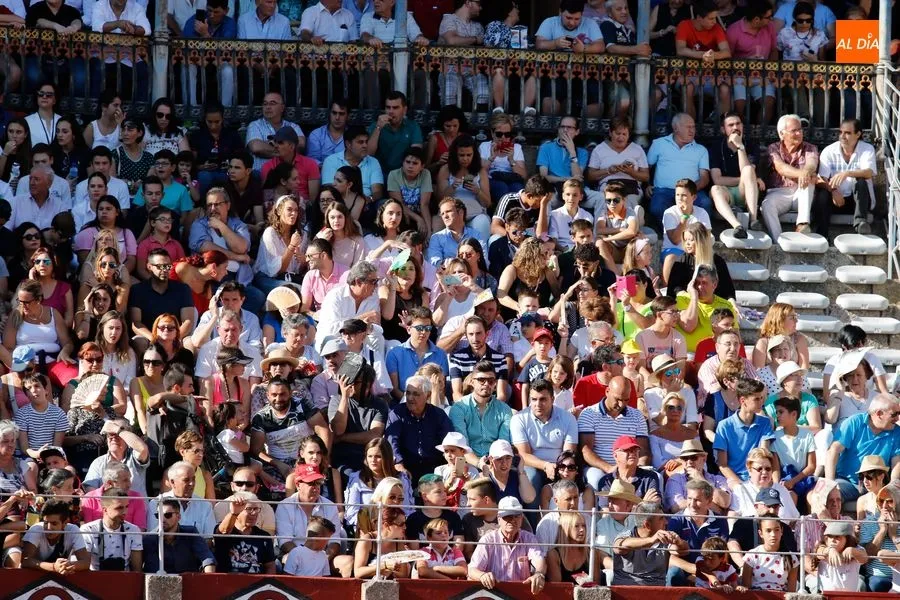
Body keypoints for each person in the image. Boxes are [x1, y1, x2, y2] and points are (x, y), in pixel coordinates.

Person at [511, 380, 578, 505]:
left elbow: (568, 453)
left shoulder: (568, 418)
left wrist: (559, 468)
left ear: (552, 399)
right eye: (534, 399)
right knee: (531, 477)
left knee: (569, 471)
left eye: (543, 399)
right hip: (533, 466)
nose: (538, 404)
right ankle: (533, 518)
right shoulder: (519, 419)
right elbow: (523, 455)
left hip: (561, 466)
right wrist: (546, 465)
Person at [534, 0, 605, 117]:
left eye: (577, 19)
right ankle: (550, 127)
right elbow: (539, 44)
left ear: (582, 15)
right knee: (550, 98)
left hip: (586, 72)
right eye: (568, 18)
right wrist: (555, 43)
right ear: (560, 12)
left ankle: (587, 128)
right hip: (556, 72)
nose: (572, 22)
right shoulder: (550, 22)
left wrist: (583, 49)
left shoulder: (590, 24)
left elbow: (601, 46)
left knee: (596, 100)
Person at [825, 394, 900, 502]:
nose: (897, 418)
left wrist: (892, 487)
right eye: (894, 414)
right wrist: (830, 485)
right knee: (825, 496)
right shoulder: (854, 422)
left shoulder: (897, 432)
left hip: (879, 485)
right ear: (879, 413)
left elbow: (897, 463)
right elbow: (833, 450)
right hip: (849, 483)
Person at [760, 113, 823, 238]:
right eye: (794, 131)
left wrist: (807, 173)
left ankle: (802, 224)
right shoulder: (773, 148)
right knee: (766, 205)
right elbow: (781, 168)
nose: (799, 133)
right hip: (779, 193)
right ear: (782, 134)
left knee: (808, 182)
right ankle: (778, 240)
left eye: (800, 130)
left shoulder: (810, 148)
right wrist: (804, 173)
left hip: (801, 194)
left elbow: (812, 164)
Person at [578, 377, 648, 488]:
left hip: (630, 468)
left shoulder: (637, 416)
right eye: (618, 399)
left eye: (626, 400)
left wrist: (638, 467)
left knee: (655, 477)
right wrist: (609, 468)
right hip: (598, 468)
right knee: (596, 479)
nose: (621, 404)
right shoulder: (589, 414)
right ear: (607, 391)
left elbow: (643, 450)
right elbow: (586, 451)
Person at [468, 496, 547, 593]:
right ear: (499, 519)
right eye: (507, 516)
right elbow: (472, 570)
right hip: (495, 594)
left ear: (521, 518)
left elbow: (539, 559)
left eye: (516, 516)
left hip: (522, 594)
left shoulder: (529, 538)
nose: (512, 520)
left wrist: (539, 574)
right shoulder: (488, 540)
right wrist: (482, 576)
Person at [646, 113, 712, 225]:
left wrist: (688, 190)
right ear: (676, 128)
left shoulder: (701, 150)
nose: (692, 130)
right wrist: (647, 185)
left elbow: (704, 178)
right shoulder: (659, 144)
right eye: (688, 127)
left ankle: (697, 231)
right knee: (657, 207)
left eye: (693, 127)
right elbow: (646, 167)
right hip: (664, 191)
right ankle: (673, 231)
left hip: (691, 190)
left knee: (705, 203)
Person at [385, 375, 452, 483]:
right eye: (408, 393)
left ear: (428, 395)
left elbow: (449, 441)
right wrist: (398, 463)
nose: (410, 398)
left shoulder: (438, 415)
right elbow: (392, 442)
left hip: (434, 469)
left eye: (416, 394)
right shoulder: (397, 413)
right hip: (405, 468)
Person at [815, 117, 876, 235]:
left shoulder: (867, 149)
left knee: (860, 181)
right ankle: (822, 233)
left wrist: (847, 173)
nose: (842, 136)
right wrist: (833, 190)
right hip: (835, 200)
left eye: (847, 133)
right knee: (822, 193)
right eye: (840, 132)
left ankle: (861, 224)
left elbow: (869, 172)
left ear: (858, 134)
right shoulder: (829, 150)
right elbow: (821, 178)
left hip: (858, 202)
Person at [448, 360, 512, 462]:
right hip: (465, 462)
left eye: (491, 380)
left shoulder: (504, 409)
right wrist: (479, 464)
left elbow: (502, 444)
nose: (486, 384)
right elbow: (462, 446)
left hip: (496, 461)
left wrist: (491, 465)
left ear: (495, 384)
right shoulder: (459, 407)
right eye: (481, 380)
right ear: (472, 382)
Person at [612, 501, 688, 586]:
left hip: (656, 591)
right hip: (627, 590)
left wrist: (679, 542)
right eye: (661, 518)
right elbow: (619, 547)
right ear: (647, 525)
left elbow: (682, 551)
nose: (666, 522)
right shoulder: (625, 536)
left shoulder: (664, 537)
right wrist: (651, 540)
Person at [714, 377, 772, 485]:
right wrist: (740, 485)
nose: (761, 402)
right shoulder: (724, 426)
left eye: (761, 398)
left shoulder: (765, 422)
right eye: (756, 399)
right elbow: (722, 464)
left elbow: (763, 455)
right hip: (731, 481)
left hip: (757, 478)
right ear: (742, 400)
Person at [437, 0, 488, 110]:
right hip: (450, 66)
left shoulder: (478, 26)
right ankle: (449, 119)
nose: (480, 8)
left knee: (483, 91)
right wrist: (475, 39)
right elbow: (452, 40)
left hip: (471, 67)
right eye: (478, 4)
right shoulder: (449, 19)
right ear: (468, 3)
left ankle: (479, 121)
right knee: (449, 93)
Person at [142, 498, 216, 573]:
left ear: (178, 517)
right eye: (158, 515)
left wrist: (208, 577)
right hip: (157, 580)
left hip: (187, 579)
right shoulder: (149, 540)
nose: (162, 519)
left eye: (167, 515)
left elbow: (207, 558)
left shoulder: (191, 533)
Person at [79, 488, 143, 572]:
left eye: (127, 506)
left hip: (125, 577)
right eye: (119, 508)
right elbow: (84, 565)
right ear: (105, 510)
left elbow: (137, 570)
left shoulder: (134, 530)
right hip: (95, 577)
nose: (125, 512)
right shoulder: (88, 530)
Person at [21, 499, 91, 574]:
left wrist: (67, 566)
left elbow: (85, 562)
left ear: (65, 523)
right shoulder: (36, 529)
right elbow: (25, 561)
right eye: (46, 523)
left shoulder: (73, 530)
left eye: (54, 523)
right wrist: (54, 567)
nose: (48, 528)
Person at [147, 461, 216, 536]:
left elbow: (209, 538)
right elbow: (152, 537)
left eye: (193, 479)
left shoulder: (205, 506)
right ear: (172, 482)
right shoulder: (156, 504)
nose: (192, 483)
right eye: (186, 480)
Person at [215, 492, 276, 574]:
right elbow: (224, 531)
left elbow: (270, 566)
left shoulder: (264, 536)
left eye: (256, 509)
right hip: (229, 580)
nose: (254, 513)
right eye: (249, 509)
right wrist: (234, 513)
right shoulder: (227, 528)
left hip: (256, 581)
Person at [321, 126, 385, 202]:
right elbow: (329, 189)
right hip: (338, 203)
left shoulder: (373, 162)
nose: (365, 145)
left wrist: (367, 200)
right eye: (360, 142)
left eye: (366, 142)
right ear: (348, 144)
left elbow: (377, 191)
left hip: (368, 203)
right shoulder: (331, 161)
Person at [245, 92, 304, 172]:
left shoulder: (293, 126)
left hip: (288, 175)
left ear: (282, 108)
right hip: (259, 173)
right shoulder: (255, 125)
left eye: (272, 103)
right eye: (265, 104)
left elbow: (300, 145)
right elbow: (256, 148)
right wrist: (286, 151)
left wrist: (268, 146)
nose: (268, 107)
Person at [741, 518, 798, 591]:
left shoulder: (791, 558)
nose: (773, 534)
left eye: (777, 530)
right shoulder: (751, 556)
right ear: (761, 533)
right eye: (768, 531)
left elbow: (791, 592)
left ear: (781, 531)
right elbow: (746, 588)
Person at [307, 100, 348, 166]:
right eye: (334, 113)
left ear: (347, 116)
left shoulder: (353, 136)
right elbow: (312, 160)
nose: (337, 118)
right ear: (329, 114)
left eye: (341, 114)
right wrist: (329, 167)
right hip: (321, 171)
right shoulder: (316, 135)